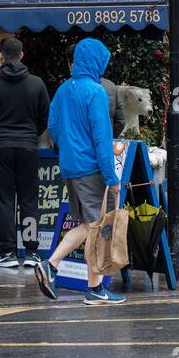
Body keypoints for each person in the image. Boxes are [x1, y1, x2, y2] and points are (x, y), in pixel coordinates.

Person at [35, 38, 127, 305]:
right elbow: (101, 137)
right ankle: (51, 264)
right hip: (91, 168)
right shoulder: (96, 92)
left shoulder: (64, 89)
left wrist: (68, 151)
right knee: (95, 226)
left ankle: (94, 288)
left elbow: (52, 127)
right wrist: (112, 177)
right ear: (95, 61)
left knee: (90, 226)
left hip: (70, 167)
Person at [0, 36, 50, 269]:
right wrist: (30, 134)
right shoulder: (37, 84)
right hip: (28, 146)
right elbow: (44, 119)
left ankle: (7, 251)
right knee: (29, 199)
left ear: (1, 56)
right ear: (21, 55)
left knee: (4, 199)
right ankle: (31, 252)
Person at [66, 41, 126, 137]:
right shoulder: (111, 86)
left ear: (73, 64)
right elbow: (120, 121)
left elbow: (57, 123)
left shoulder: (66, 89)